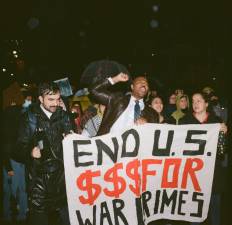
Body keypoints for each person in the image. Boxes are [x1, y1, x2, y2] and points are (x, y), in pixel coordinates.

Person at [13, 82, 73, 225]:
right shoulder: (30, 118)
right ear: (40, 99)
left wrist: (71, 139)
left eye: (57, 99)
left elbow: (74, 141)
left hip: (62, 180)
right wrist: (30, 152)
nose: (55, 104)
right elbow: (16, 150)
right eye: (50, 100)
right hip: (39, 184)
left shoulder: (64, 116)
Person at [179, 92, 227, 225]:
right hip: (193, 173)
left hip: (213, 172)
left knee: (215, 207)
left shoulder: (216, 121)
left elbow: (222, 151)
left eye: (199, 101)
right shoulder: (185, 122)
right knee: (194, 210)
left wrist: (223, 134)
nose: (195, 104)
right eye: (193, 101)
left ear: (206, 104)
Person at [90, 73, 158, 135]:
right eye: (139, 82)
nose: (143, 84)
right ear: (132, 87)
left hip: (135, 147)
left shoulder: (152, 114)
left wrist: (148, 125)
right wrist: (116, 79)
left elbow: (154, 135)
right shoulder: (117, 100)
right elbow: (94, 90)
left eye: (146, 83)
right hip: (109, 144)